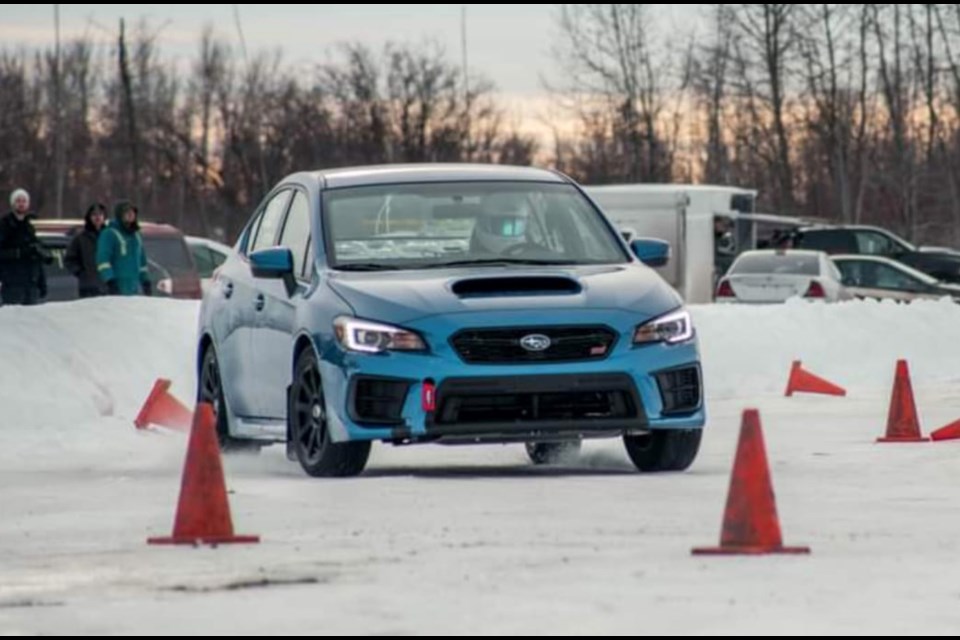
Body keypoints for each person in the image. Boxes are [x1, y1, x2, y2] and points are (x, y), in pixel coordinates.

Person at [0, 188, 49, 305]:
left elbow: (36, 257)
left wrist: (42, 282)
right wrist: (19, 253)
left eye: (24, 201)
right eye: (18, 201)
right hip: (12, 283)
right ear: (13, 203)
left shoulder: (29, 227)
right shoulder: (5, 224)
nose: (21, 204)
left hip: (31, 283)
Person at [96, 200, 152, 296]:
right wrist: (110, 280)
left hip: (135, 287)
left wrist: (145, 281)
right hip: (117, 286)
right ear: (120, 215)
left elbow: (142, 262)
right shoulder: (109, 233)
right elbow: (103, 260)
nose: (130, 214)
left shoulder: (136, 235)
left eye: (132, 212)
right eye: (127, 212)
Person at [65, 202, 108, 298]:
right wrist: (81, 273)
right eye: (94, 215)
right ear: (89, 217)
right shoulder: (80, 238)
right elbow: (69, 259)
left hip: (107, 285)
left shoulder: (109, 236)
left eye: (100, 215)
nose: (97, 217)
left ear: (104, 217)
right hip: (88, 287)